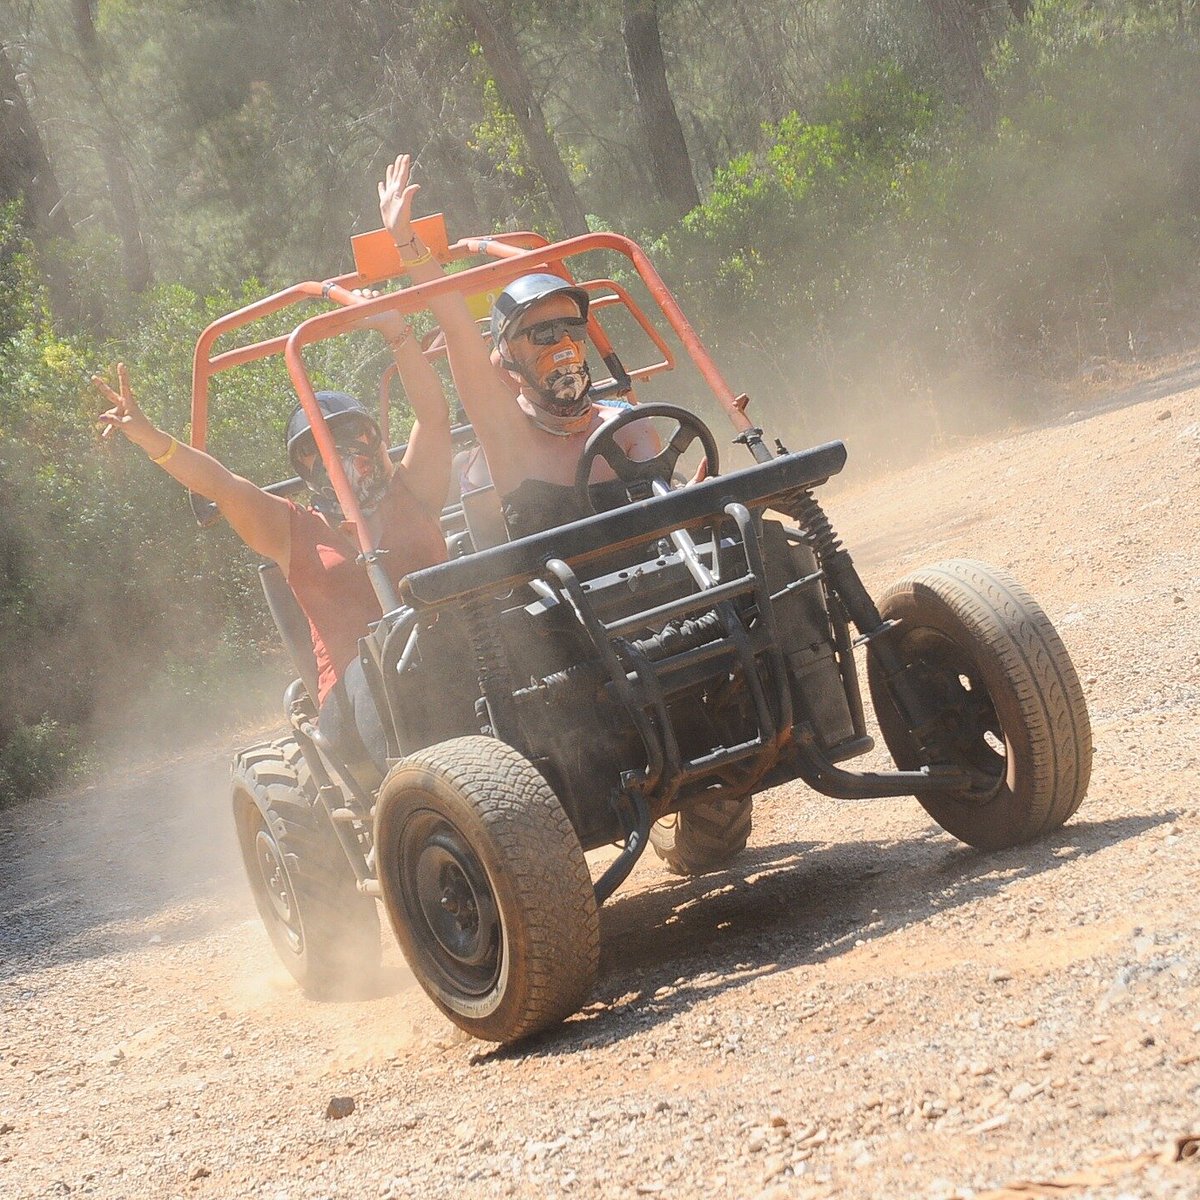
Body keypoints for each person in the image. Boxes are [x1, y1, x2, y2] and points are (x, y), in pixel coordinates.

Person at [93, 307, 451, 773]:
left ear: (375, 437)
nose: (339, 455)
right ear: (303, 467)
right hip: (359, 695)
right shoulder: (292, 529)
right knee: (376, 666)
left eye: (349, 436)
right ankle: (417, 798)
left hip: (447, 657)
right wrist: (149, 437)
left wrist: (397, 333)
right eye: (317, 448)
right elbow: (221, 486)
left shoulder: (415, 489)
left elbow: (434, 416)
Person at [377, 153, 664, 540]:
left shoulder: (629, 424)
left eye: (571, 328)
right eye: (543, 333)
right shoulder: (508, 436)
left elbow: (674, 514)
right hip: (558, 595)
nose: (562, 342)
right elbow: (458, 326)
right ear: (509, 356)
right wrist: (405, 241)